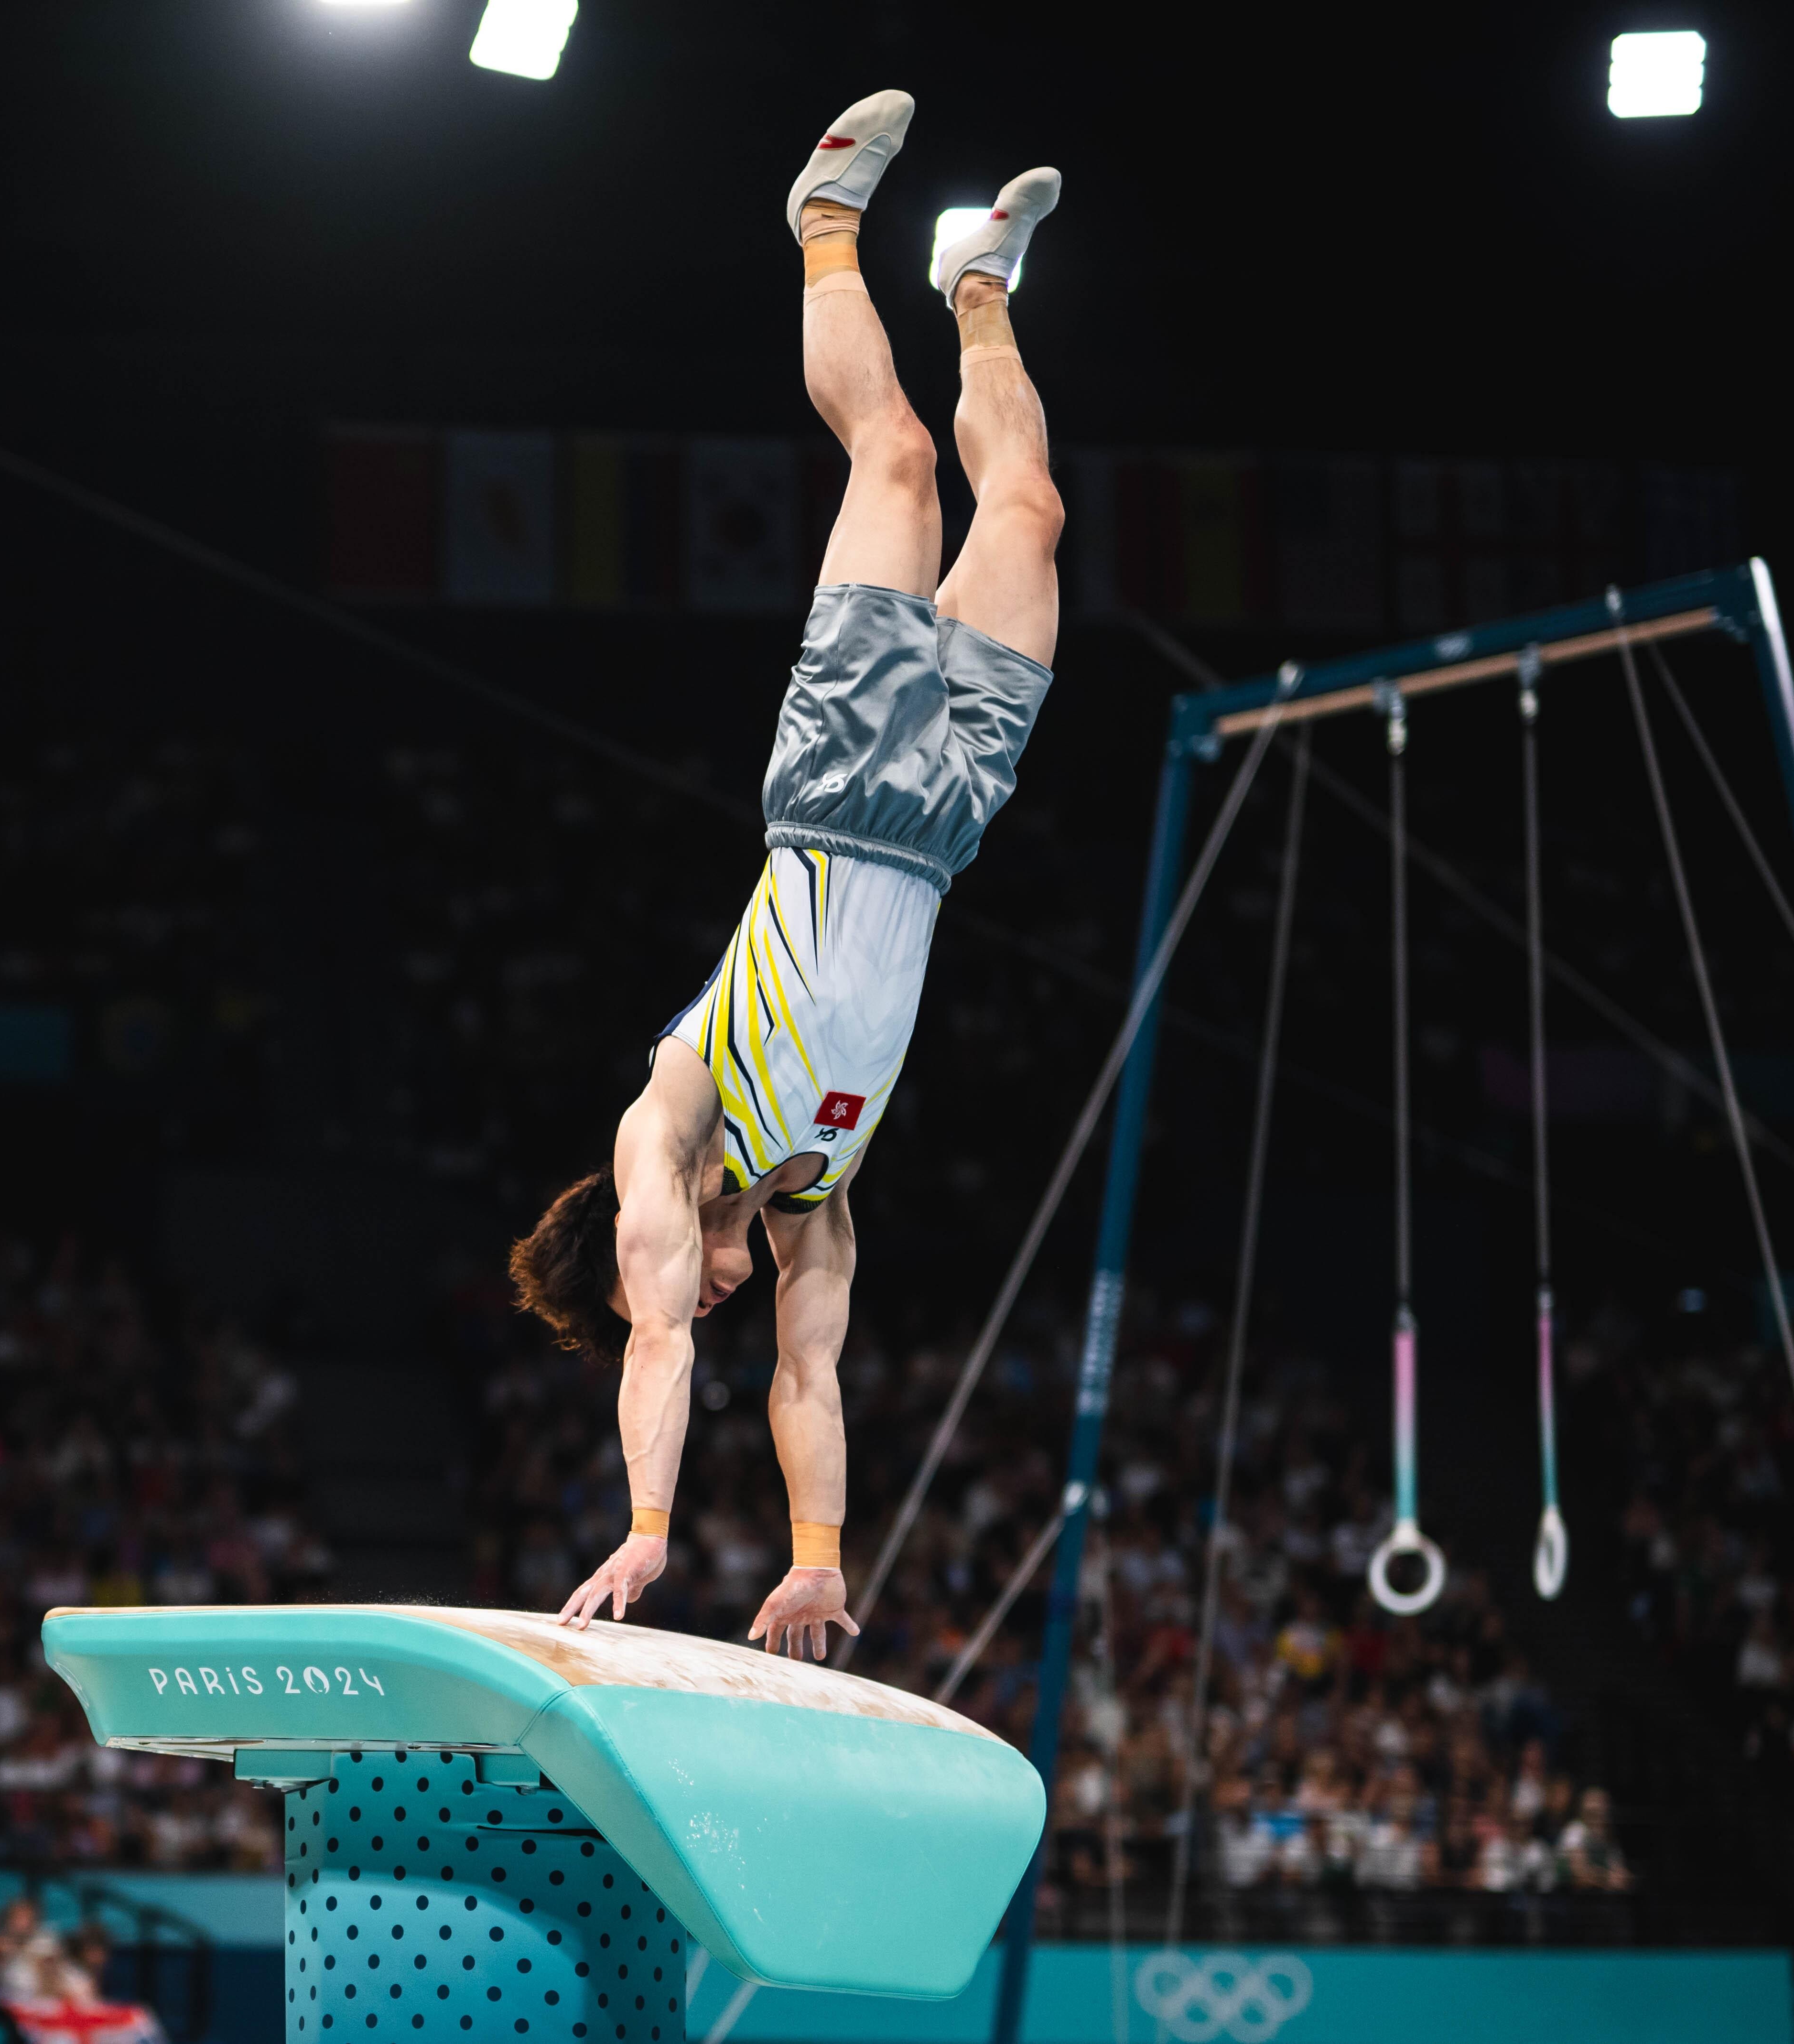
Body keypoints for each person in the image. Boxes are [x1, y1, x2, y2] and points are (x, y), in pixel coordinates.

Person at [508, 88, 1065, 1659]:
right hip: (950, 826)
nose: (706, 1293)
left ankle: (825, 228)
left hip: (834, 790)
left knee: (893, 461)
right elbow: (806, 1381)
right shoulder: (818, 1197)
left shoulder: (664, 1128)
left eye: (675, 1281)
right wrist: (819, 1554)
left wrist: (646, 1534)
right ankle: (979, 287)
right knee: (1028, 506)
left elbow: (666, 1354)